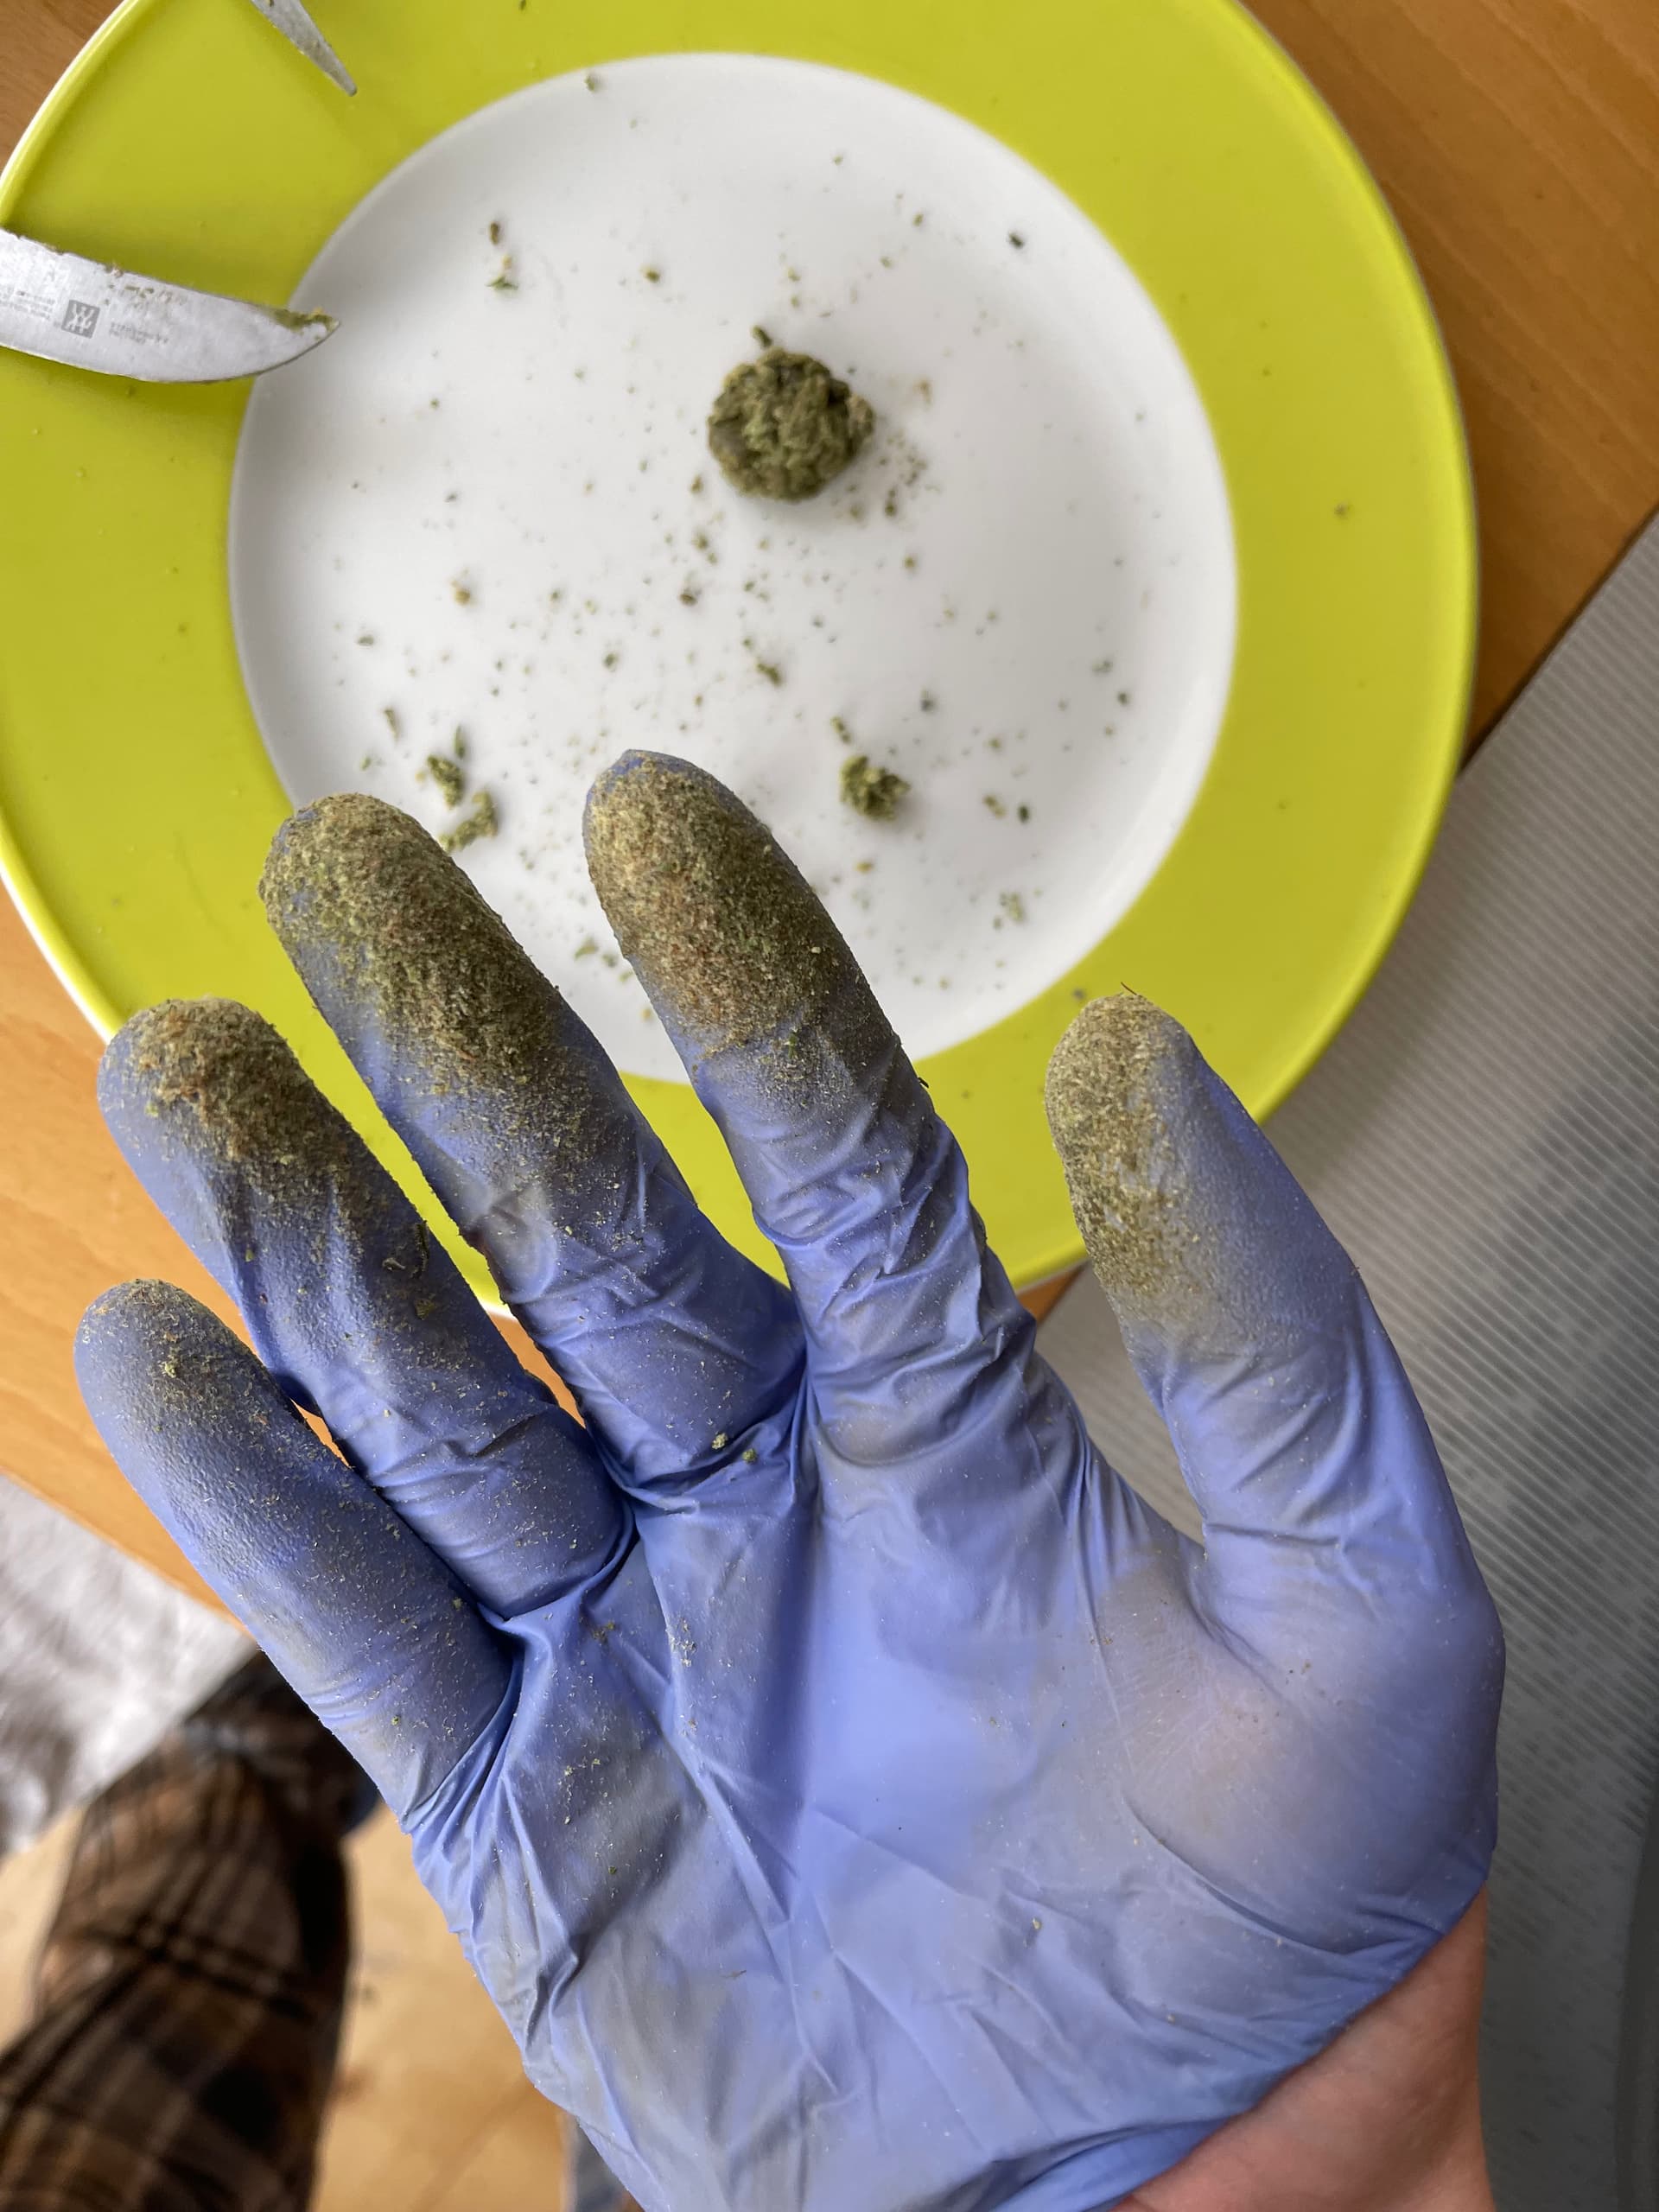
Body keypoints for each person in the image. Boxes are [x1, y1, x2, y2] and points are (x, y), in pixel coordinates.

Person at [3, 753, 1503, 2209]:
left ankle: (235, 1774)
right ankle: (240, 1771)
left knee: (177, 1975)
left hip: (746, 2118)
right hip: (781, 2109)